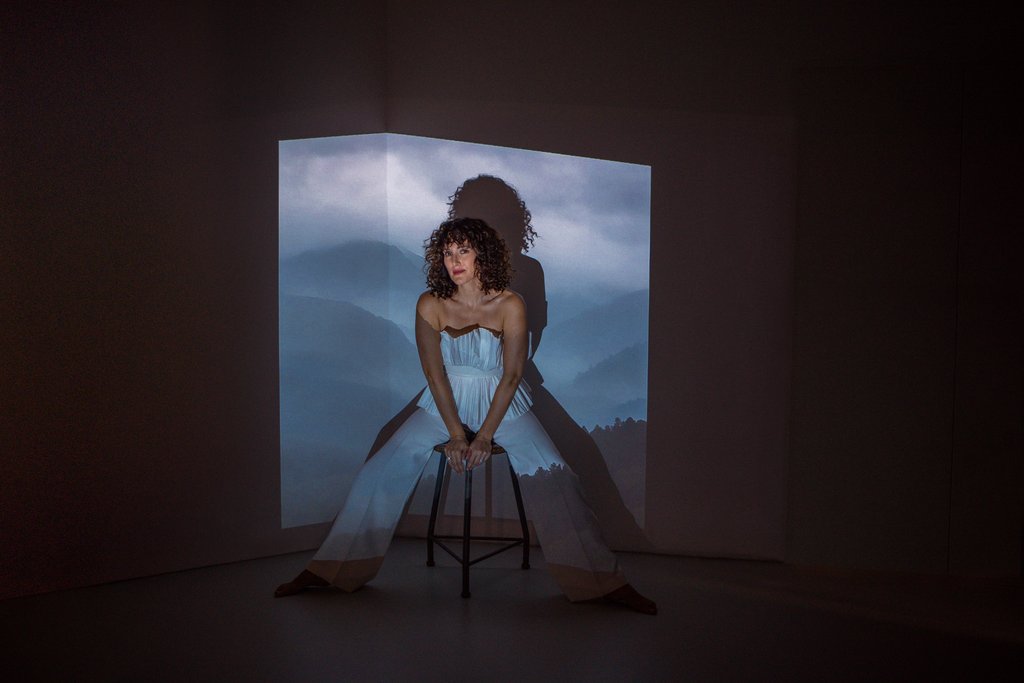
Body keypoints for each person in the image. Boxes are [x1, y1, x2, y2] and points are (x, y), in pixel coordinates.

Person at [274, 218, 656, 614]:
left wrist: (485, 436)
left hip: (503, 402)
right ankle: (329, 570)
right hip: (443, 402)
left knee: (557, 476)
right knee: (378, 472)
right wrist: (457, 434)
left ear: (482, 255)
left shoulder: (510, 304)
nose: (454, 261)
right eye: (447, 253)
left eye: (463, 251)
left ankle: (603, 581)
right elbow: (434, 374)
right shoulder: (430, 303)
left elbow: (512, 375)